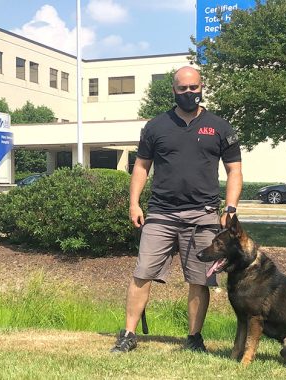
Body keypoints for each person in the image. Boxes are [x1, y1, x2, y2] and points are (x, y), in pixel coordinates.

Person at [111, 66, 243, 353]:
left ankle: (194, 339)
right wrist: (134, 203)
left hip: (203, 213)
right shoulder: (156, 126)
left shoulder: (220, 127)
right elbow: (141, 166)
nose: (188, 93)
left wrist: (230, 207)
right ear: (174, 90)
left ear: (201, 87)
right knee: (142, 272)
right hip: (161, 213)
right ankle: (128, 335)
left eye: (193, 88)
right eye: (182, 89)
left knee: (199, 279)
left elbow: (234, 170)